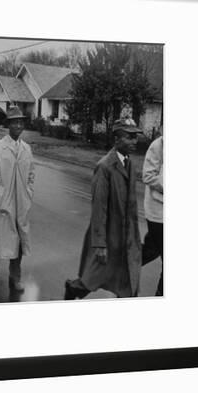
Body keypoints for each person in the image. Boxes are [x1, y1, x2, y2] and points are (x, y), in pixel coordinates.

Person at [64, 118, 143, 300]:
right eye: (129, 137)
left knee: (128, 283)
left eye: (135, 137)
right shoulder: (104, 167)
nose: (134, 142)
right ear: (117, 139)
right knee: (93, 278)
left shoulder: (130, 163)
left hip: (126, 236)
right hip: (108, 237)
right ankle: (73, 289)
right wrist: (100, 244)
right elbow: (99, 208)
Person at [0, 107, 35, 292]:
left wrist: (28, 194)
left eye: (21, 122)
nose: (18, 125)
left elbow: (31, 174)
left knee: (19, 241)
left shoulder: (26, 149)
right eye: (15, 122)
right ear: (8, 125)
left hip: (21, 203)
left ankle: (15, 277)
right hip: (4, 203)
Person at [142, 129, 163, 296]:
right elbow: (148, 176)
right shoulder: (158, 145)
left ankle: (115, 271)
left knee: (149, 251)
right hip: (158, 213)